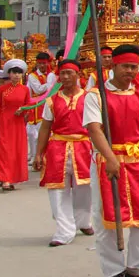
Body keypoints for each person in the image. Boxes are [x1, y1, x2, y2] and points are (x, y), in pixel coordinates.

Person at [83, 44, 139, 277]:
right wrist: (110, 158)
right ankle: (113, 270)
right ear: (113, 66)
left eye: (134, 67)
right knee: (108, 217)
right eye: (125, 66)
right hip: (109, 161)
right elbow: (94, 130)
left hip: (136, 160)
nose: (130, 71)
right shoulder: (95, 96)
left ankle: (137, 266)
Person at [33, 59, 93, 247]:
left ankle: (83, 221)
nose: (65, 77)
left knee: (85, 189)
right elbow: (45, 128)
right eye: (62, 73)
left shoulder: (90, 97)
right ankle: (64, 231)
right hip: (58, 149)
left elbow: (98, 127)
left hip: (83, 148)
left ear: (79, 75)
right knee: (58, 191)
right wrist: (38, 153)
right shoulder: (52, 100)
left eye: (70, 73)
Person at [0, 59, 31, 191]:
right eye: (14, 73)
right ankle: (5, 178)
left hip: (18, 124)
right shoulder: (2, 90)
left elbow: (28, 104)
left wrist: (23, 109)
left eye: (19, 73)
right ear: (9, 74)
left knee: (17, 151)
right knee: (5, 151)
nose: (17, 75)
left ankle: (13, 177)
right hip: (5, 122)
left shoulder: (25, 89)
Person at [27, 52, 57, 163]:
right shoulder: (32, 76)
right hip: (37, 106)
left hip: (49, 104)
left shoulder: (51, 74)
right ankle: (36, 156)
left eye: (44, 63)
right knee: (36, 133)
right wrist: (50, 85)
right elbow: (38, 89)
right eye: (40, 63)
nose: (42, 66)